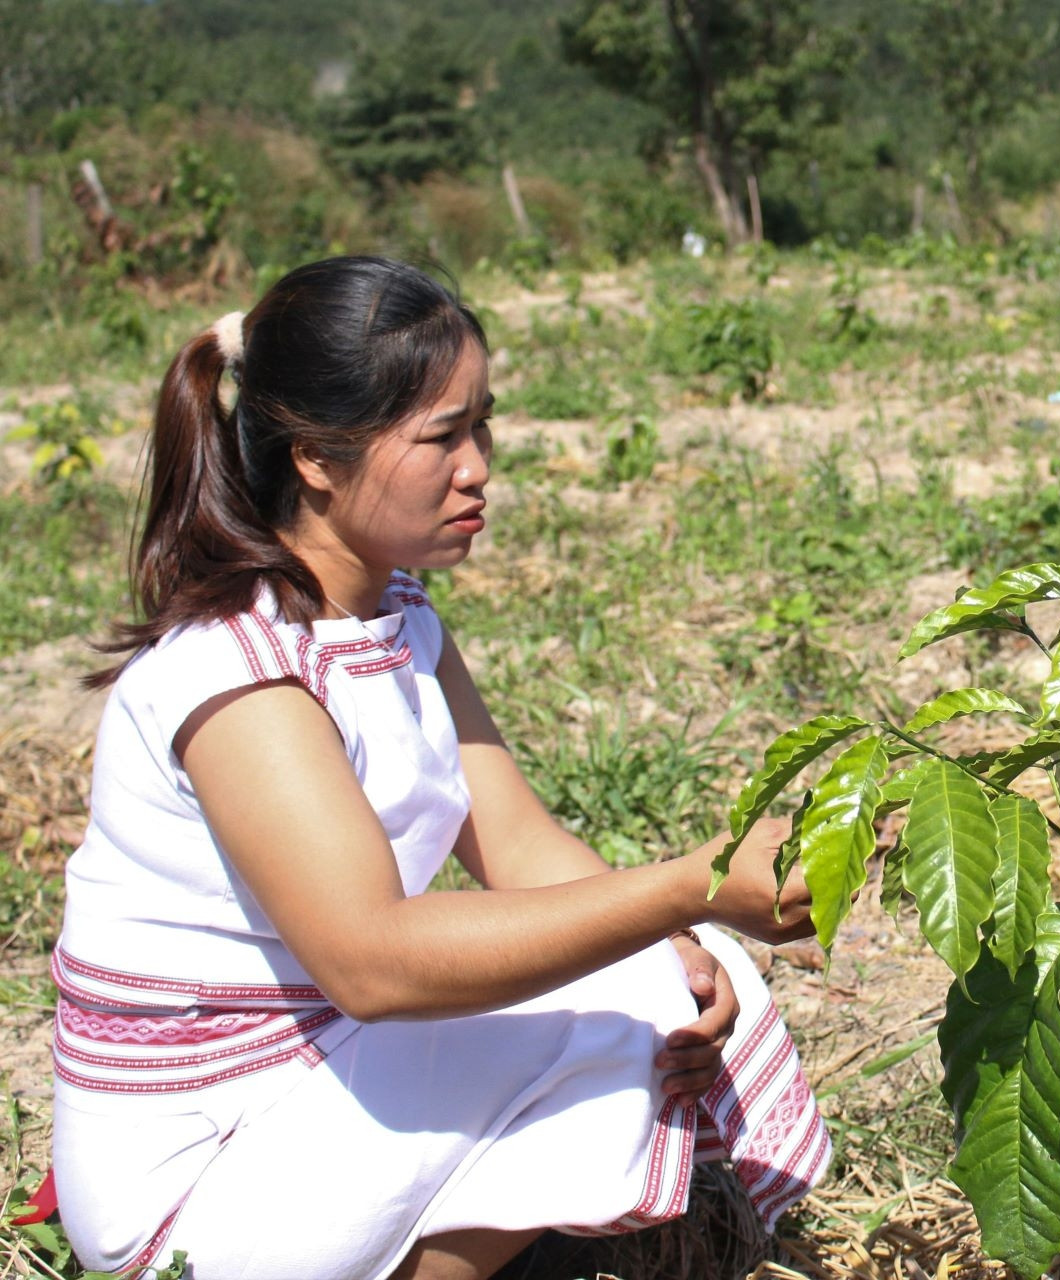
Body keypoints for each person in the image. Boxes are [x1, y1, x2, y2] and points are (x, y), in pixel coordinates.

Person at [47, 257, 827, 1279]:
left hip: (314, 1085)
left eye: (482, 425)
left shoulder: (394, 613)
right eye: (441, 436)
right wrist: (688, 885)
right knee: (620, 1012)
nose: (479, 466)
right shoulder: (238, 670)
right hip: (202, 1172)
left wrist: (681, 933)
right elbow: (373, 962)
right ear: (318, 457)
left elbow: (514, 838)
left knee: (676, 980)